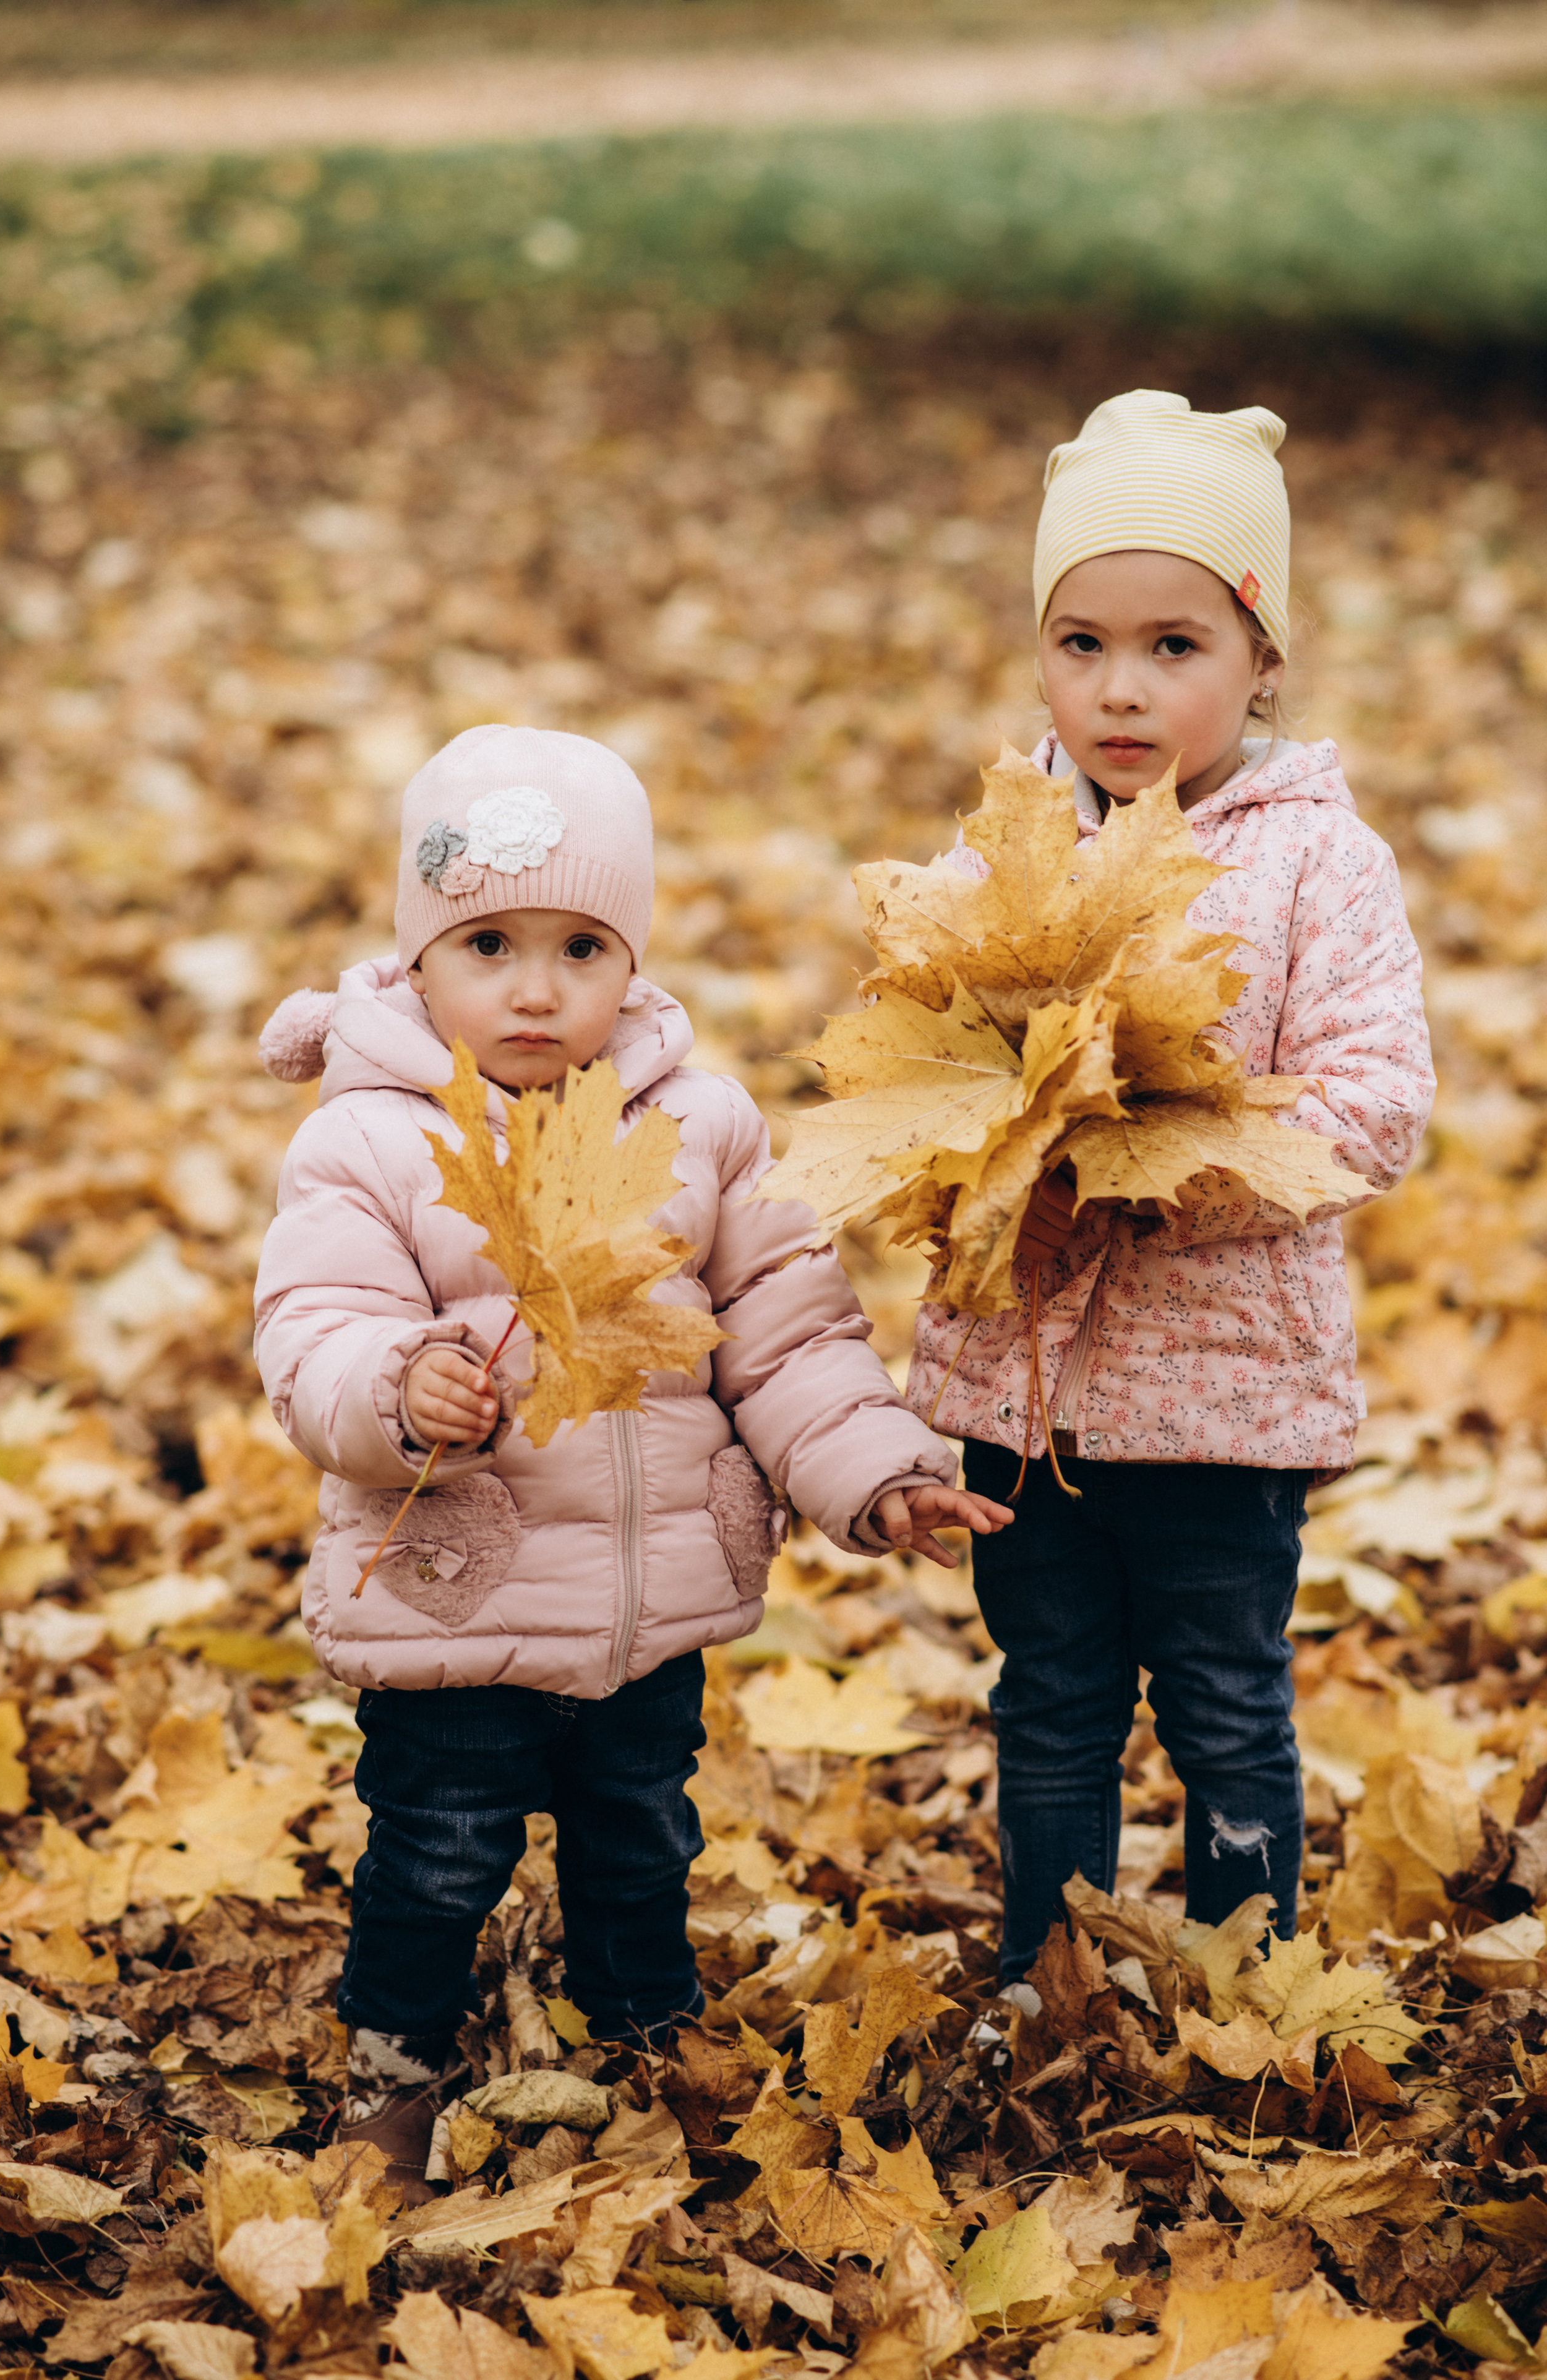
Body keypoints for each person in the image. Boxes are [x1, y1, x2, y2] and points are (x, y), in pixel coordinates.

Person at [254, 724, 1010, 2194]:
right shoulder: (367, 1144)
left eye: (581, 945)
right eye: (487, 941)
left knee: (639, 1841)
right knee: (436, 1853)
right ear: (417, 958)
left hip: (651, 1598)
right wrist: (398, 1388)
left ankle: (642, 2037)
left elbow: (785, 1338)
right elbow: (313, 1334)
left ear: (632, 958)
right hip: (452, 1597)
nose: (535, 987)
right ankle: (396, 2063)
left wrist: (871, 1468)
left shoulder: (701, 1127)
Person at [907, 390, 1434, 1995]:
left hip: (1223, 1396)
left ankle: (1241, 1979)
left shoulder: (1315, 861)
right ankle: (1048, 1978)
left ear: (1260, 656)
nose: (1120, 688)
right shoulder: (1002, 851)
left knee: (1221, 1698)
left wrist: (1161, 1171)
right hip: (1032, 1385)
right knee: (1050, 1694)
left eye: (1174, 646)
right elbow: (917, 1069)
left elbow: (1375, 1101)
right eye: (1080, 643)